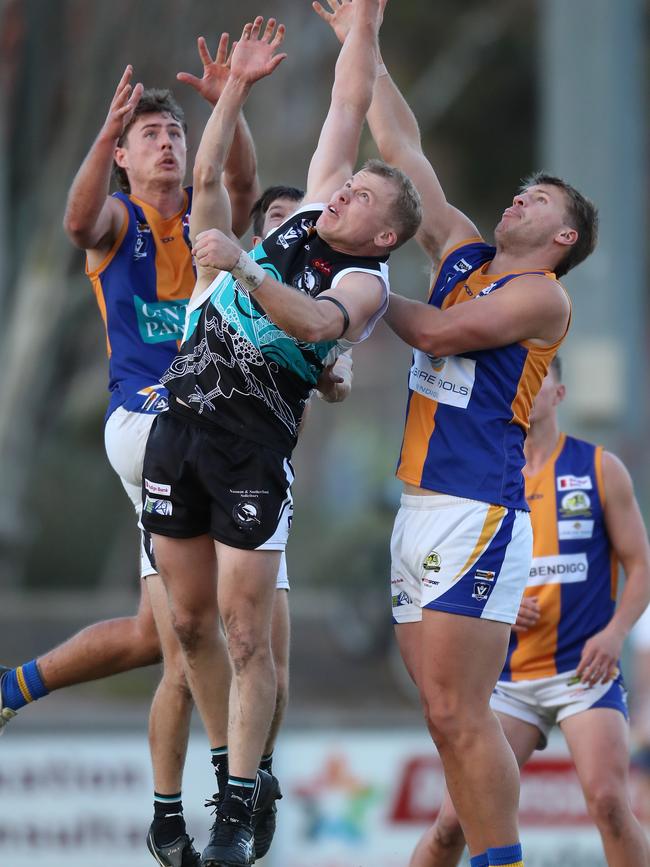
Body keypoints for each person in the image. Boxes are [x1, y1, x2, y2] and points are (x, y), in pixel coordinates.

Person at [0, 37, 343, 867]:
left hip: (209, 435)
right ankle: (234, 783)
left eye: (175, 131)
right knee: (222, 635)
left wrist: (232, 103)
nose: (166, 141)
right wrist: (102, 131)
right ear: (121, 156)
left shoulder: (213, 229)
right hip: (156, 429)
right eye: (149, 133)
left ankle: (167, 805)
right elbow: (77, 220)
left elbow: (242, 185)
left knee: (178, 634)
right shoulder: (119, 222)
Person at [313, 4, 598, 866]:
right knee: (441, 719)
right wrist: (360, 42)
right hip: (419, 503)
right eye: (521, 190)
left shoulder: (545, 297)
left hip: (478, 508)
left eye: (537, 200)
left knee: (459, 714)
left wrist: (343, 293)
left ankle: (498, 858)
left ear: (562, 236)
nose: (519, 197)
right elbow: (404, 152)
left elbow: (436, 335)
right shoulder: (465, 252)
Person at [140, 7, 420, 866]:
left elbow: (314, 320)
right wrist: (360, 26)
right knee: (187, 628)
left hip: (251, 453)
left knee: (248, 633)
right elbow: (345, 99)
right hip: (178, 430)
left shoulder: (367, 281)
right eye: (349, 183)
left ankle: (233, 807)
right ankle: (230, 779)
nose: (344, 191)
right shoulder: (319, 199)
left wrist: (249, 267)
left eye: (363, 196)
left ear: (380, 234)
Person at [409, 358, 650, 867]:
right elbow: (450, 569)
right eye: (522, 381)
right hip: (508, 679)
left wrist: (614, 634)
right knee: (452, 825)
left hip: (583, 673)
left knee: (609, 803)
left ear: (559, 394)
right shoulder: (486, 479)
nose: (529, 389)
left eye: (540, 381)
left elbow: (641, 566)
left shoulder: (598, 468)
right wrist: (494, 605)